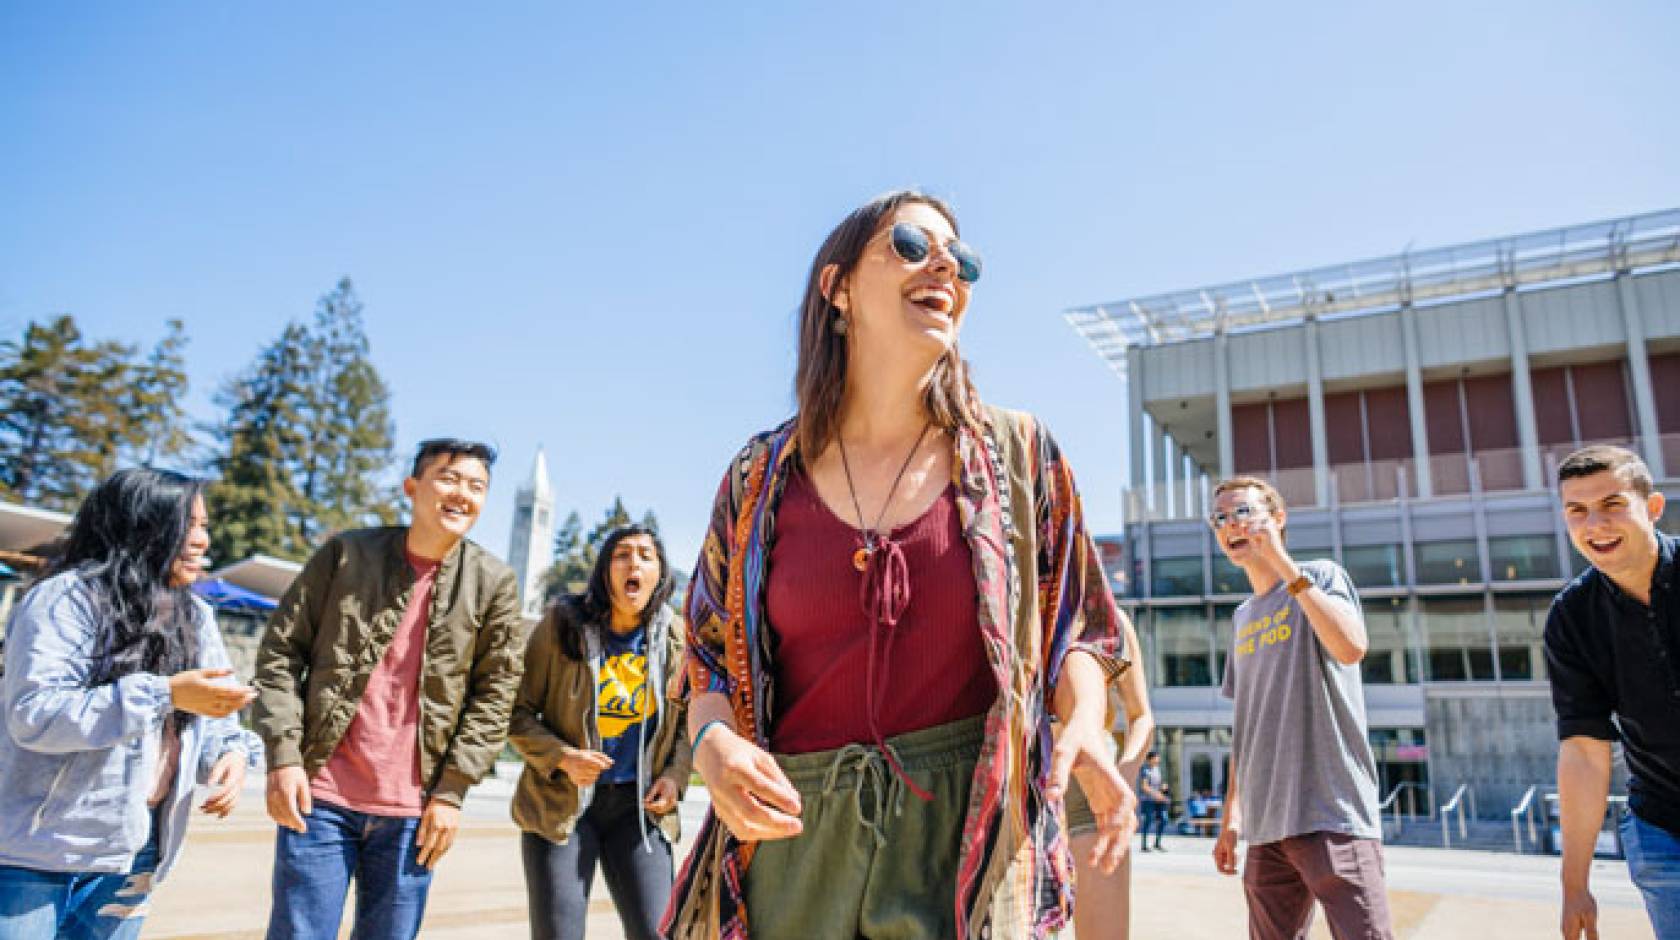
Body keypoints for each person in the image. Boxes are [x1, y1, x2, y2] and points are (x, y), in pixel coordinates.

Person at [664, 189, 1140, 940]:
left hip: (968, 841)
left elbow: (1077, 625)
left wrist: (1083, 720)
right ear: (838, 288)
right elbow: (707, 651)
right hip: (790, 841)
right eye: (913, 245)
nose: (948, 264)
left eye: (965, 259)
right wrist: (712, 743)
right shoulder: (756, 476)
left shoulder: (1022, 453)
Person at [252, 439, 525, 940]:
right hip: (319, 798)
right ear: (412, 488)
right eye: (448, 478)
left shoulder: (493, 583)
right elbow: (280, 653)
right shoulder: (346, 556)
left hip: (414, 812)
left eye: (477, 486)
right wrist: (285, 756)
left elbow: (495, 694)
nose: (462, 493)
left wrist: (451, 792)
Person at [0, 468, 262, 939]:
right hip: (33, 852)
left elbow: (212, 711)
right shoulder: (64, 599)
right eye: (189, 525)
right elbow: (34, 715)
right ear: (142, 526)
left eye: (204, 526)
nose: (202, 540)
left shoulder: (195, 614)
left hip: (133, 851)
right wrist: (164, 694)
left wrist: (230, 752)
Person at [1208, 476, 1393, 940]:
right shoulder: (1242, 617)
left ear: (1278, 519)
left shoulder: (1321, 576)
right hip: (1266, 825)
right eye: (1221, 518)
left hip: (1331, 810)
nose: (1232, 524)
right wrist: (1232, 815)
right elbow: (1245, 725)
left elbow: (1352, 647)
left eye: (1243, 512)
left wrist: (1284, 565)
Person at [509, 524, 692, 940]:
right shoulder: (562, 625)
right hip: (561, 808)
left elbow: (689, 720)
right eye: (622, 554)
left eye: (646, 556)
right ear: (605, 571)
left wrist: (675, 777)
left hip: (639, 810)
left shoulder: (675, 636)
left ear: (660, 574)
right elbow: (516, 712)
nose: (634, 563)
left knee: (657, 931)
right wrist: (562, 757)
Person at [1545, 445, 1680, 940]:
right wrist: (1574, 883)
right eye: (1577, 511)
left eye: (1613, 504)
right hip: (1665, 833)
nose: (1594, 525)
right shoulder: (1571, 618)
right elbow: (1584, 749)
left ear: (1654, 506)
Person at [1135, 751, 1169, 852]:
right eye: (1155, 758)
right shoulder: (1145, 770)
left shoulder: (1157, 769)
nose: (1157, 760)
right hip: (1148, 799)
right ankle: (1144, 845)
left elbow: (1158, 783)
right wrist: (1156, 794)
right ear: (1149, 759)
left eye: (1158, 758)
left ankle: (1157, 843)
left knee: (1164, 819)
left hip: (1158, 799)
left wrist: (1163, 787)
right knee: (1148, 821)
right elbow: (1144, 787)